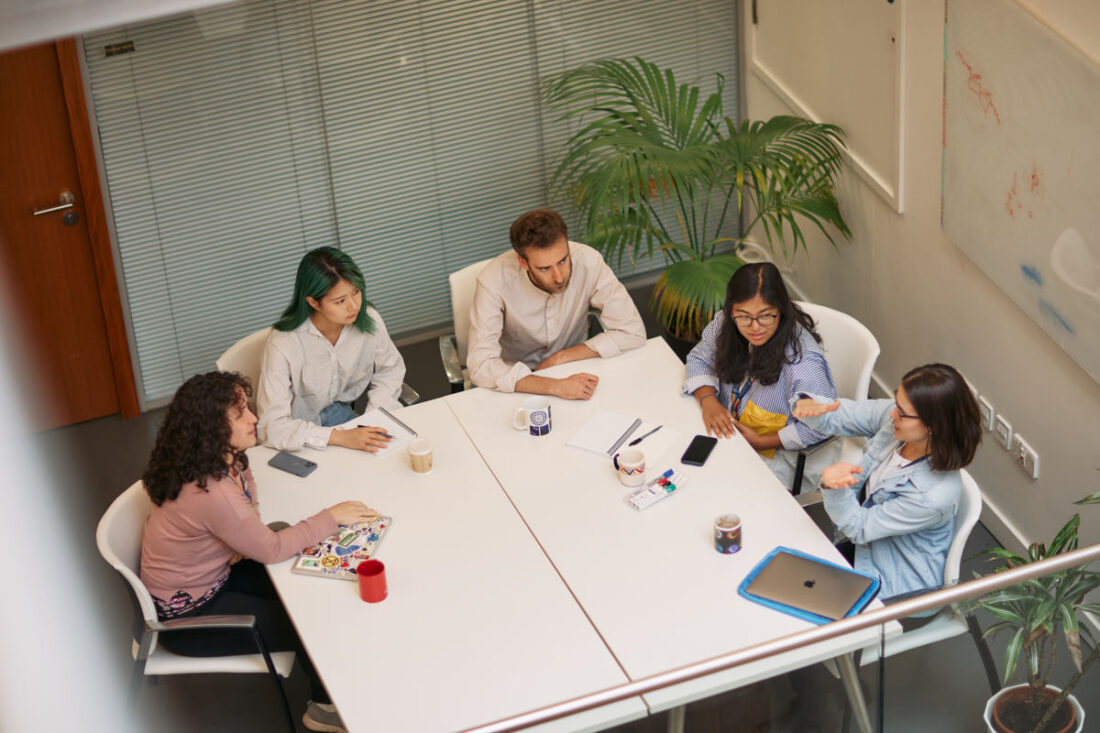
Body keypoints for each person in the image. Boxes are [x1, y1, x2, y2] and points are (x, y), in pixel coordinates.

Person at [141, 371, 378, 733]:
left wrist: (242, 538)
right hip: (188, 616)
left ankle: (338, 682)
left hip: (211, 576)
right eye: (240, 413)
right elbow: (270, 547)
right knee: (308, 618)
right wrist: (330, 517)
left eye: (247, 407)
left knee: (302, 570)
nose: (254, 417)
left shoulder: (218, 460)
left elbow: (249, 506)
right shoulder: (212, 491)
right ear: (211, 428)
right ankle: (323, 708)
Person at [791, 362, 982, 601]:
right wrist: (809, 405)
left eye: (901, 412)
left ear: (933, 426)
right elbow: (843, 414)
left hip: (897, 591)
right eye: (896, 402)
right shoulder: (898, 424)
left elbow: (858, 528)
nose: (893, 413)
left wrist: (832, 487)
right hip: (865, 550)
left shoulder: (931, 494)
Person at [682, 262, 837, 486]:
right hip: (729, 436)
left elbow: (822, 425)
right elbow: (699, 358)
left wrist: (762, 441)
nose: (754, 327)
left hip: (774, 457)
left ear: (781, 310)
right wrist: (708, 401)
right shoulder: (727, 322)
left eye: (765, 316)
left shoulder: (802, 363)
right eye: (743, 316)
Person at [466, 208, 646, 400]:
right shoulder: (493, 280)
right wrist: (554, 386)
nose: (559, 277)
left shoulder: (589, 261)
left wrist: (560, 358)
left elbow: (632, 332)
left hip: (575, 370)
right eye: (544, 268)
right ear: (523, 262)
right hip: (514, 381)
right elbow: (481, 364)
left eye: (562, 260)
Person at [257, 246, 406, 452]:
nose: (354, 306)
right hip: (297, 433)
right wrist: (339, 437)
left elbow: (391, 369)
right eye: (340, 301)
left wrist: (374, 417)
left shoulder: (368, 319)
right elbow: (271, 426)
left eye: (356, 292)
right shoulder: (283, 343)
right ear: (313, 302)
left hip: (342, 417)